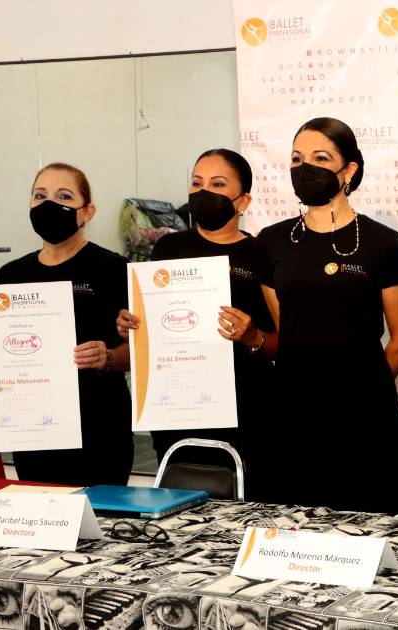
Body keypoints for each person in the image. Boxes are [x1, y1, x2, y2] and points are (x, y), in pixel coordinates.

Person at [255, 117, 398, 514]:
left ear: (349, 170)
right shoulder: (271, 241)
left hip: (365, 417)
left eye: (320, 158)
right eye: (297, 158)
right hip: (293, 413)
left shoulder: (383, 243)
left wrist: (366, 389)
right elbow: (286, 328)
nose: (304, 167)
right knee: (292, 528)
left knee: (371, 527)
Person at [0, 163, 134, 486]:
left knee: (102, 516)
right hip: (33, 433)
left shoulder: (114, 269)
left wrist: (107, 357)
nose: (49, 204)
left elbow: (140, 351)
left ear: (87, 212)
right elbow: (2, 348)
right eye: (40, 196)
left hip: (99, 429)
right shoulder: (10, 276)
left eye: (64, 196)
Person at [114, 148, 276, 498]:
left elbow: (283, 340)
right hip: (177, 407)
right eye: (196, 183)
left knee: (246, 509)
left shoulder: (262, 253)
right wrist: (131, 324)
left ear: (243, 201)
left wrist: (252, 336)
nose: (204, 192)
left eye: (218, 184)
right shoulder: (167, 249)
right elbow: (152, 324)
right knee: (178, 508)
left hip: (246, 411)